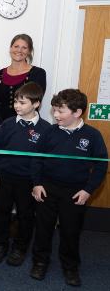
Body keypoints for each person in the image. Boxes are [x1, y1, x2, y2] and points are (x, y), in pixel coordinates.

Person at [30, 89, 108, 287]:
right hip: (47, 187)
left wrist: (88, 189)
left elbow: (101, 165)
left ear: (77, 112)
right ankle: (40, 261)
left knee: (70, 230)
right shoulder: (49, 131)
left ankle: (70, 266)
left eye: (60, 111)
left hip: (75, 191)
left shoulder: (92, 135)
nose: (55, 115)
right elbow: (37, 159)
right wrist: (37, 184)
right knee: (43, 227)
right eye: (54, 110)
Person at [0, 82, 51, 266]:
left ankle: (19, 248)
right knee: (1, 212)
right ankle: (0, 244)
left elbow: (45, 160)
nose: (17, 106)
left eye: (22, 102)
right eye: (16, 101)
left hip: (29, 181)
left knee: (25, 215)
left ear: (36, 103)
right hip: (5, 176)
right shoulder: (7, 124)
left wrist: (38, 182)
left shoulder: (45, 129)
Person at [0, 34, 46, 124]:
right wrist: (0, 125)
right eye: (16, 46)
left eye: (24, 48)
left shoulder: (38, 73)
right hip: (0, 125)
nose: (19, 50)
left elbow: (34, 101)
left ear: (29, 51)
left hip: (27, 124)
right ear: (10, 48)